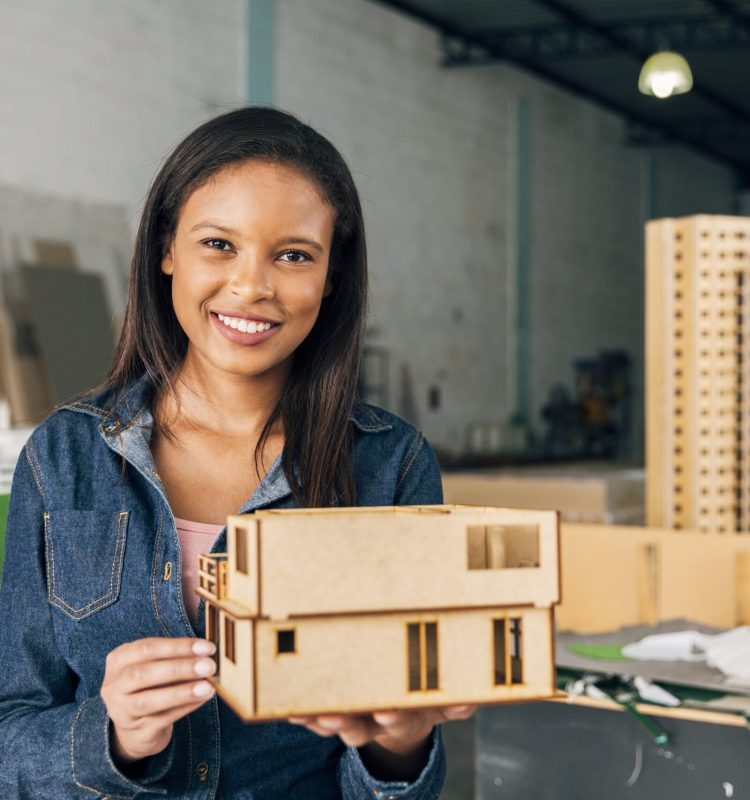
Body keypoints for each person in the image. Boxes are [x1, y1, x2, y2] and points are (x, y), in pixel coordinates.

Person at [0, 107, 473, 798]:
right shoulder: (65, 455)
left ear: (331, 276)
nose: (251, 286)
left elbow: (398, 773)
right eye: (219, 244)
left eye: (294, 255)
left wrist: (399, 744)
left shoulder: (391, 465)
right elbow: (11, 733)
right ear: (167, 249)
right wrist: (111, 736)